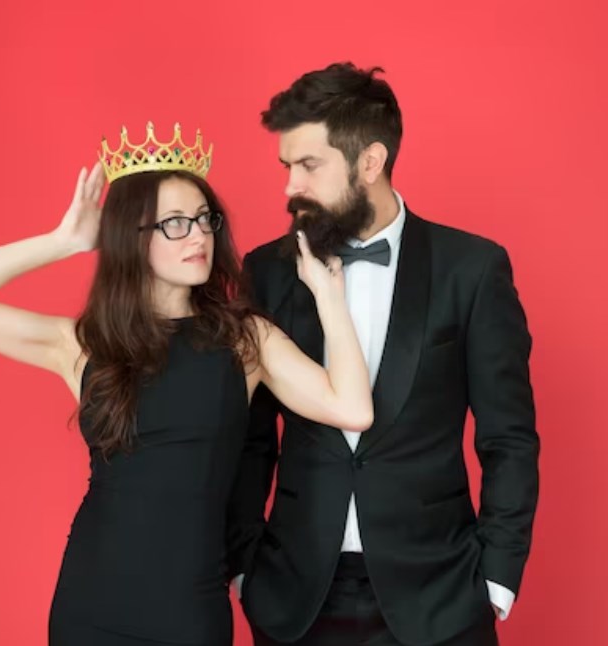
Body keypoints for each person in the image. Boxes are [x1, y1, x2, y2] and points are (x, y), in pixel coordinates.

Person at [0, 122, 374, 646]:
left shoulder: (245, 339)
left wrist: (330, 301)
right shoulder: (85, 344)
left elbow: (353, 408)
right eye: (175, 224)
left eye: (205, 219)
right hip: (93, 601)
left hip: (190, 608)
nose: (199, 235)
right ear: (130, 238)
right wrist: (63, 241)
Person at [227, 64, 540, 646]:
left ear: (369, 163)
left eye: (308, 165)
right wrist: (245, 563)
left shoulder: (471, 270)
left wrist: (496, 577)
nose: (289, 185)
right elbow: (249, 437)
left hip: (440, 594)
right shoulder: (266, 271)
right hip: (293, 596)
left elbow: (509, 438)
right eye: (287, 166)